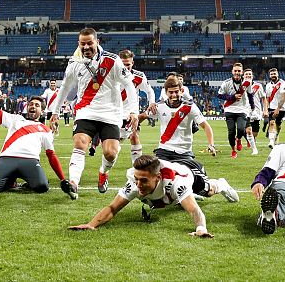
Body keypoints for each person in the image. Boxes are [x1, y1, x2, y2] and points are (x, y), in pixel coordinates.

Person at [49, 28, 138, 200]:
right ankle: (74, 183)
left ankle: (103, 172)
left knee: (111, 153)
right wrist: (55, 112)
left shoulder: (113, 61)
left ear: (97, 42)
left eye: (90, 43)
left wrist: (134, 111)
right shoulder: (74, 63)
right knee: (80, 143)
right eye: (83, 44)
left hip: (111, 113)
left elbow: (129, 85)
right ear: (79, 44)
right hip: (85, 111)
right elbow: (65, 88)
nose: (86, 47)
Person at [68, 155, 221, 237]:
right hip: (165, 174)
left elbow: (194, 210)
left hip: (190, 170)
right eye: (137, 179)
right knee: (166, 200)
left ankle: (221, 184)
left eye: (143, 180)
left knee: (208, 191)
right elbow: (113, 208)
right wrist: (91, 224)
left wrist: (201, 229)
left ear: (158, 178)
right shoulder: (136, 182)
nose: (138, 184)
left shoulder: (176, 183)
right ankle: (180, 199)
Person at [149, 76, 238, 202]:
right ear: (165, 92)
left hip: (184, 154)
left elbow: (206, 126)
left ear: (181, 91)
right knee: (155, 181)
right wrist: (135, 119)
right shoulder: (159, 106)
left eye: (176, 91)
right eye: (171, 92)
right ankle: (184, 194)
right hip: (163, 151)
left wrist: (211, 144)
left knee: (204, 190)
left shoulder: (190, 107)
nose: (174, 94)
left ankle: (220, 185)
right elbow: (142, 116)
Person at [0, 96, 68, 194]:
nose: (33, 106)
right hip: (7, 158)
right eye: (31, 104)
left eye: (37, 105)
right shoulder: (15, 119)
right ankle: (11, 181)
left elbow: (51, 155)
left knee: (42, 187)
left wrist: (62, 179)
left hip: (30, 160)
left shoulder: (46, 130)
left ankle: (20, 180)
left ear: (42, 111)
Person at [118, 49, 157, 164]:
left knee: (134, 136)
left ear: (132, 63)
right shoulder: (112, 75)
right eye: (123, 65)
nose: (125, 67)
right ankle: (105, 170)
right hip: (115, 114)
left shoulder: (139, 76)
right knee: (113, 147)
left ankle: (136, 167)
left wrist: (152, 103)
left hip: (131, 114)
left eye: (128, 65)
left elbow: (150, 91)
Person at [217, 63, 253, 159]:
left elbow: (250, 95)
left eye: (239, 71)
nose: (237, 72)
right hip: (229, 109)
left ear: (242, 72)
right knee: (231, 132)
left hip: (242, 109)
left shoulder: (247, 83)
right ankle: (233, 150)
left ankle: (239, 139)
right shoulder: (226, 82)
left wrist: (252, 106)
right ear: (232, 71)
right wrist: (232, 97)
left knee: (241, 129)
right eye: (235, 70)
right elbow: (220, 95)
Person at [243, 68, 265, 156]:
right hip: (245, 111)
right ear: (243, 76)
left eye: (250, 74)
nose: (248, 75)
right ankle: (254, 149)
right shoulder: (241, 86)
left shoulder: (258, 86)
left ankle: (251, 141)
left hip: (256, 112)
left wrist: (265, 109)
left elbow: (263, 98)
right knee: (248, 130)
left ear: (252, 76)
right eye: (246, 74)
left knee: (255, 133)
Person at [264, 67, 285, 148]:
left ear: (277, 74)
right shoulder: (267, 85)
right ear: (269, 75)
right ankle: (271, 141)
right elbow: (267, 98)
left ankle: (276, 134)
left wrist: (278, 109)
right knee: (271, 123)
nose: (273, 75)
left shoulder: (283, 83)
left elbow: (283, 97)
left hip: (281, 108)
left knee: (278, 124)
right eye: (271, 74)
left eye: (274, 73)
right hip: (271, 107)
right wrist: (266, 109)